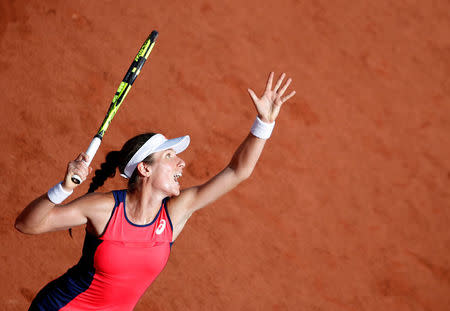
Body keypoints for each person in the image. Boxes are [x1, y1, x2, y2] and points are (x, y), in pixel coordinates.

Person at [15, 72, 296, 310]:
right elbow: (26, 225)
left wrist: (264, 124)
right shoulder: (103, 210)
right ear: (145, 169)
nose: (181, 162)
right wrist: (63, 188)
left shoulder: (175, 214)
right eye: (170, 155)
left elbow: (237, 171)